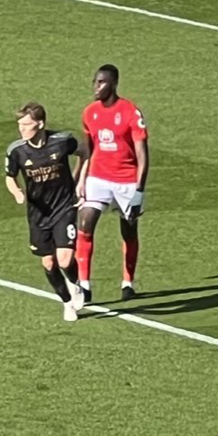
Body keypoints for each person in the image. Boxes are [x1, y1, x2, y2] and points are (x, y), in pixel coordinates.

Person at [4, 102, 87, 321]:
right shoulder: (17, 151)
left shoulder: (62, 141)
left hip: (64, 207)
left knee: (65, 259)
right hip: (38, 214)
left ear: (40, 124)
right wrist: (17, 193)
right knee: (48, 262)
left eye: (26, 124)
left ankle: (76, 285)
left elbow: (85, 152)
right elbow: (9, 177)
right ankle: (67, 303)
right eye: (19, 125)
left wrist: (79, 182)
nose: (21, 129)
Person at [74, 63, 148, 303]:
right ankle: (83, 285)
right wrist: (79, 178)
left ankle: (128, 281)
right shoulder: (89, 113)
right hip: (98, 177)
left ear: (114, 83)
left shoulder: (130, 112)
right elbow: (88, 149)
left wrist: (139, 192)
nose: (96, 87)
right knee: (85, 222)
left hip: (126, 180)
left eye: (102, 82)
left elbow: (143, 155)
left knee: (128, 229)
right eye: (95, 82)